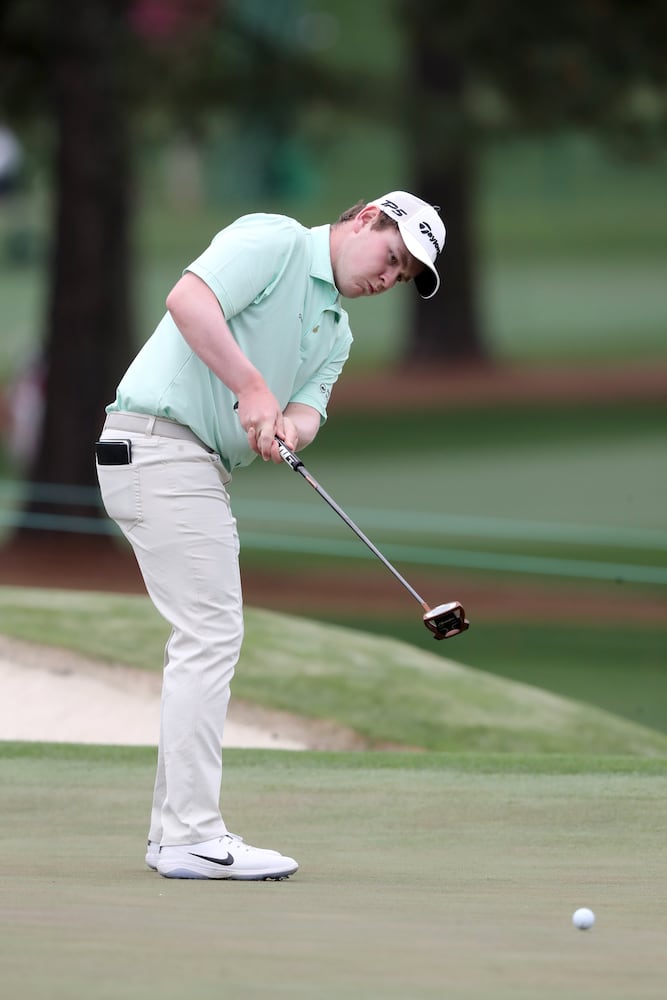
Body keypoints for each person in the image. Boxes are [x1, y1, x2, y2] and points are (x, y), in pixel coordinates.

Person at [95, 191, 446, 881]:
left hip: (190, 464)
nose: (387, 277)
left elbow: (307, 410)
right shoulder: (275, 240)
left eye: (401, 275)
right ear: (366, 217)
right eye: (390, 256)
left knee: (204, 636)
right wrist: (252, 388)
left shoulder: (335, 331)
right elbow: (187, 301)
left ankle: (175, 834)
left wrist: (285, 425)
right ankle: (192, 835)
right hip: (157, 445)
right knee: (211, 634)